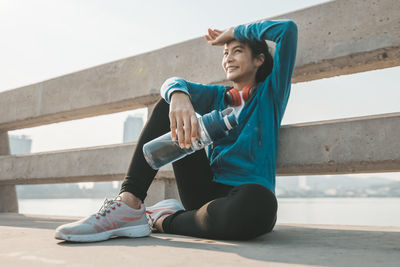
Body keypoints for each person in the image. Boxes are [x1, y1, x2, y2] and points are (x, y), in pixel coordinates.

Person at [55, 19, 298, 242]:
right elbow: (171, 83)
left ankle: (162, 220)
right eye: (225, 53)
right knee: (167, 103)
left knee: (259, 205)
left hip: (247, 194)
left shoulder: (270, 95)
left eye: (237, 50)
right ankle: (129, 203)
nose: (228, 58)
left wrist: (233, 32)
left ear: (259, 60)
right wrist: (178, 95)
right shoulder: (218, 96)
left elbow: (287, 30)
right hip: (203, 192)